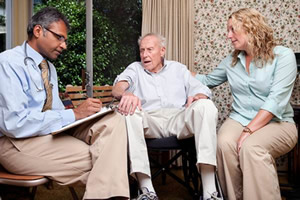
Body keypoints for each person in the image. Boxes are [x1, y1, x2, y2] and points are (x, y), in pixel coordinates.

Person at [0, 7, 129, 200]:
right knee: (105, 157)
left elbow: (57, 112)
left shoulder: (49, 68)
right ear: (38, 31)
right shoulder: (8, 62)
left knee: (114, 120)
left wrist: (88, 114)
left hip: (46, 135)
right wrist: (75, 114)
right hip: (16, 141)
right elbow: (14, 123)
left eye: (65, 40)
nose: (64, 45)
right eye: (59, 37)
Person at [193, 8, 298, 200]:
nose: (228, 35)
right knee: (224, 144)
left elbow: (275, 101)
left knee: (251, 147)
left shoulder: (283, 56)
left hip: (278, 122)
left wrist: (247, 132)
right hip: (239, 118)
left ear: (250, 27)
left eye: (232, 29)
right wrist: (172, 69)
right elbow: (206, 80)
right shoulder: (231, 62)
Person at [112, 33, 222, 200]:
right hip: (149, 120)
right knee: (129, 111)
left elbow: (202, 89)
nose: (144, 55)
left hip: (178, 119)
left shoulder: (178, 69)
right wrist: (126, 93)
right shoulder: (135, 68)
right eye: (142, 50)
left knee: (206, 106)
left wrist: (199, 95)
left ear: (162, 51)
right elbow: (117, 88)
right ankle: (146, 189)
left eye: (150, 49)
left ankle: (210, 192)